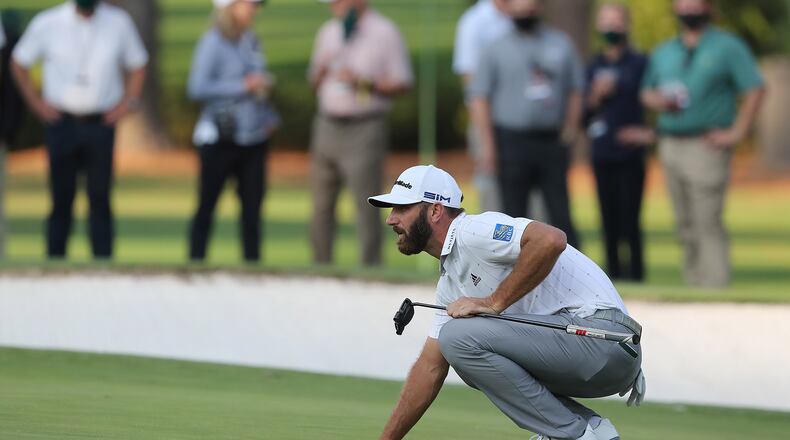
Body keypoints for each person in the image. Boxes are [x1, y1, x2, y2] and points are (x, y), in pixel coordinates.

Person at [369, 165, 645, 440]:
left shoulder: (473, 230)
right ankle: (591, 429)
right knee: (461, 352)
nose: (391, 220)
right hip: (595, 351)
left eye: (402, 209)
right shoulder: (451, 281)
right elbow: (430, 368)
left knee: (458, 339)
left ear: (435, 211)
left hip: (604, 339)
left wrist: (494, 302)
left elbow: (551, 239)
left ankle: (570, 435)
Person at [641, 0, 765, 288]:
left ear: (709, 7)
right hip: (671, 143)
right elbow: (646, 91)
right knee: (684, 224)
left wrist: (736, 133)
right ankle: (694, 287)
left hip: (706, 145)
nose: (688, 9)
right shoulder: (665, 50)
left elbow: (755, 88)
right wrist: (658, 100)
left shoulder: (727, 46)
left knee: (707, 221)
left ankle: (715, 289)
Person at [11, 0, 148, 259]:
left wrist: (128, 103)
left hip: (100, 122)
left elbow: (138, 63)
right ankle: (55, 259)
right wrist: (36, 104)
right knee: (61, 196)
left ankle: (103, 261)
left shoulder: (118, 22)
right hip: (62, 123)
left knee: (100, 196)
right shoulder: (48, 22)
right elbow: (19, 62)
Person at [468, 0, 583, 249]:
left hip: (550, 140)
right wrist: (488, 146)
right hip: (511, 139)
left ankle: (571, 275)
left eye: (531, 6)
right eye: (520, 7)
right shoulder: (495, 47)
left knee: (559, 213)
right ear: (509, 10)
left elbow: (576, 88)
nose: (526, 12)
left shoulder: (559, 43)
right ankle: (514, 277)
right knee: (511, 216)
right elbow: (480, 98)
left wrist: (571, 129)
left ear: (540, 8)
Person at [308, 0, 412, 266]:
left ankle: (370, 270)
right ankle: (320, 269)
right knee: (320, 206)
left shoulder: (384, 32)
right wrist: (320, 73)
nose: (335, 6)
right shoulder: (328, 31)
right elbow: (314, 82)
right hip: (327, 125)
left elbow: (401, 82)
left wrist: (362, 82)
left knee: (366, 206)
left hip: (364, 127)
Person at [187, 0, 278, 263]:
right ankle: (196, 263)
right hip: (220, 138)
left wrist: (269, 114)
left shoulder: (251, 40)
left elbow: (257, 82)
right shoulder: (212, 42)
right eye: (250, 4)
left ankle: (252, 266)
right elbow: (197, 87)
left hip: (254, 137)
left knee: (252, 210)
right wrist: (242, 86)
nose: (255, 10)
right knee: (207, 205)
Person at [584, 3, 654, 282]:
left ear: (626, 25)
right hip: (602, 152)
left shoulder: (640, 64)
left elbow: (656, 100)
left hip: (630, 154)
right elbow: (582, 115)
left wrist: (647, 133)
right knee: (607, 219)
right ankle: (611, 279)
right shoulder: (593, 66)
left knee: (631, 220)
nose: (611, 28)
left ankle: (636, 277)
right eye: (606, 22)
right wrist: (595, 95)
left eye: (616, 22)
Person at [452, 0, 512, 213]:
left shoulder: (520, 18)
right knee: (491, 190)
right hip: (488, 118)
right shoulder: (474, 22)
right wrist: (482, 128)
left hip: (519, 122)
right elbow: (471, 80)